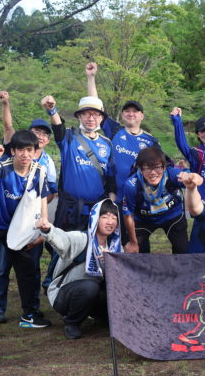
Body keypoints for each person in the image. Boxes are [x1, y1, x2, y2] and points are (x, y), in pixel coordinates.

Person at [0, 130, 52, 341]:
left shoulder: (39, 171)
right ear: (13, 151)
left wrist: (44, 226)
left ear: (35, 152)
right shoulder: (3, 166)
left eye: (29, 150)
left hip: (15, 226)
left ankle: (29, 315)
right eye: (20, 150)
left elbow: (42, 198)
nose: (25, 154)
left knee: (27, 268)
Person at [0, 91, 58, 324]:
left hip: (31, 223)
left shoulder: (47, 162)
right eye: (36, 132)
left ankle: (31, 310)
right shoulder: (17, 151)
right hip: (7, 221)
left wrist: (35, 209)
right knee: (2, 266)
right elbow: (7, 126)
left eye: (44, 134)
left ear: (47, 140)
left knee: (31, 267)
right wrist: (6, 103)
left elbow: (50, 193)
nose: (40, 136)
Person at [36, 199, 122, 339]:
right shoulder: (82, 238)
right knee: (90, 287)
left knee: (113, 288)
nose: (110, 222)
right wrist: (48, 230)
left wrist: (110, 264)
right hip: (64, 294)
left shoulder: (116, 247)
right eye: (105, 217)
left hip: (92, 294)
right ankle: (71, 323)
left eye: (114, 218)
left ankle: (100, 316)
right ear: (95, 219)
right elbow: (63, 240)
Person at [85, 62, 159, 203]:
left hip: (140, 198)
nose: (131, 114)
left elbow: (161, 168)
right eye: (127, 111)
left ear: (142, 116)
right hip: (113, 196)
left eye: (135, 111)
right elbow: (95, 107)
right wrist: (91, 77)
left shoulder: (151, 141)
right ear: (122, 114)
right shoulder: (115, 130)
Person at [41, 94, 116, 232]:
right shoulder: (69, 136)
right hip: (69, 209)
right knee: (63, 244)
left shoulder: (107, 144)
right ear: (79, 116)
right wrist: (52, 110)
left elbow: (111, 180)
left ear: (101, 118)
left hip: (96, 209)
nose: (91, 118)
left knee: (91, 244)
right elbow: (58, 127)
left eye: (95, 114)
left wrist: (110, 206)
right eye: (86, 114)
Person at [121, 146, 188, 254]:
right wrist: (133, 243)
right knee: (139, 254)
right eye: (147, 168)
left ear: (164, 167)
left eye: (157, 167)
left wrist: (191, 178)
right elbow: (128, 215)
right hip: (143, 220)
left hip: (172, 215)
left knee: (182, 250)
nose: (153, 173)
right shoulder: (131, 185)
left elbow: (193, 179)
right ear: (140, 169)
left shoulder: (172, 174)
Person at [170, 107, 205, 203]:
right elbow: (181, 143)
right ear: (198, 134)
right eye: (203, 131)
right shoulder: (196, 154)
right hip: (202, 205)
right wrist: (177, 120)